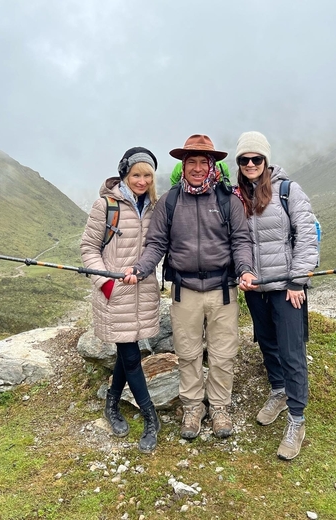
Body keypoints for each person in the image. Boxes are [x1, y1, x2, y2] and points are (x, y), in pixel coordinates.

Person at [124, 135, 256, 440]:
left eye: (203, 162)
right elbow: (157, 243)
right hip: (184, 291)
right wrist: (141, 268)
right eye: (191, 162)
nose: (197, 168)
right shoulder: (170, 202)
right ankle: (193, 406)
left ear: (212, 165)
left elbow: (241, 241)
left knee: (223, 353)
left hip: (223, 289)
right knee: (187, 352)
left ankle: (220, 407)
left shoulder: (228, 200)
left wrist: (246, 270)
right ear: (183, 166)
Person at [236, 131, 318, 461]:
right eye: (245, 160)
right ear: (239, 164)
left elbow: (307, 237)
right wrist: (241, 273)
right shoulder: (236, 195)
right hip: (256, 290)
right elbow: (235, 242)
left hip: (286, 288)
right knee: (267, 343)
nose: (251, 164)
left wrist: (297, 282)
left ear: (266, 160)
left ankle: (297, 420)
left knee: (292, 351)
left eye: (257, 159)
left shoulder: (288, 190)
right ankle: (279, 391)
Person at [80, 147, 161, 453]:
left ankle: (111, 403)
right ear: (125, 173)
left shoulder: (154, 206)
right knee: (130, 354)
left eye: (147, 175)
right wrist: (106, 283)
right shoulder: (106, 205)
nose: (141, 181)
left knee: (127, 353)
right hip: (115, 294)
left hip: (143, 292)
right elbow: (88, 248)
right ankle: (150, 416)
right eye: (136, 174)